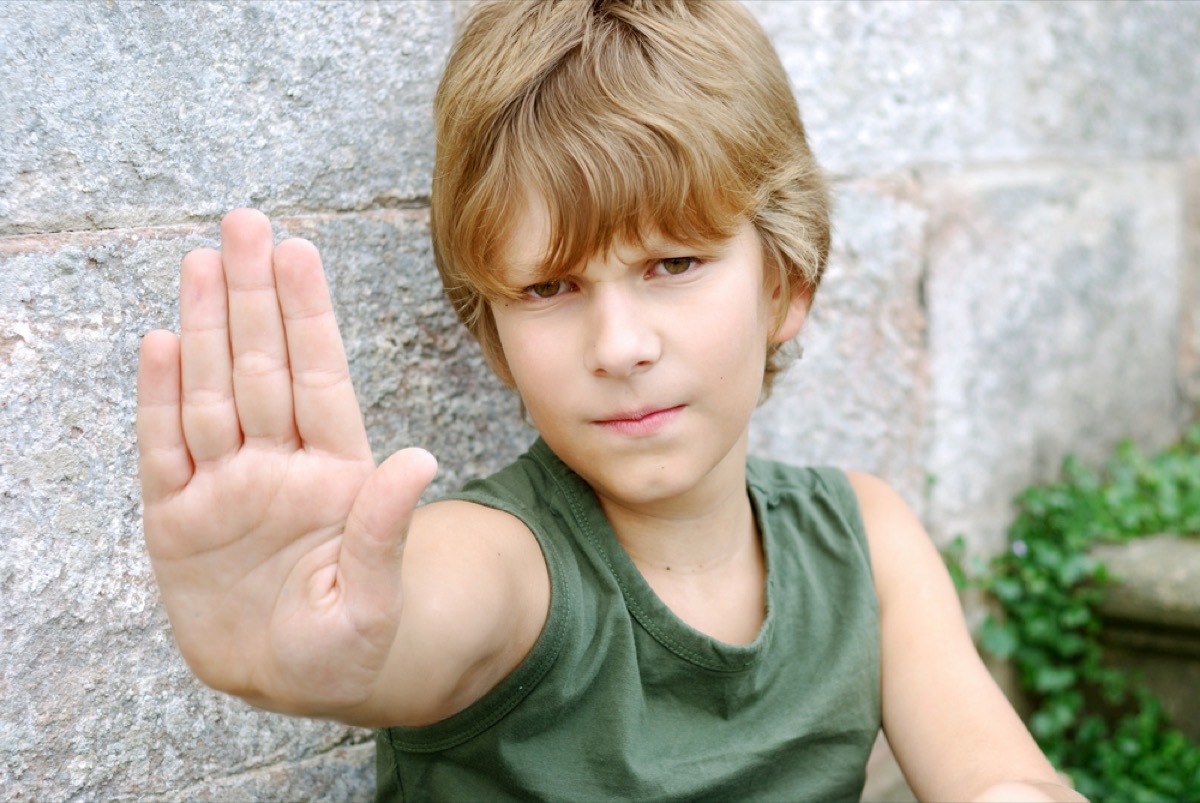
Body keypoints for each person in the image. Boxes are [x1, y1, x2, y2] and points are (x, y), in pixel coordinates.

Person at [136, 1, 1085, 801]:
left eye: (673, 263)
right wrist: (333, 652)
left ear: (786, 285)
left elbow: (1003, 780)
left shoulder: (865, 540)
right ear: (493, 336)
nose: (620, 346)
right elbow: (426, 619)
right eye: (549, 289)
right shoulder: (512, 563)